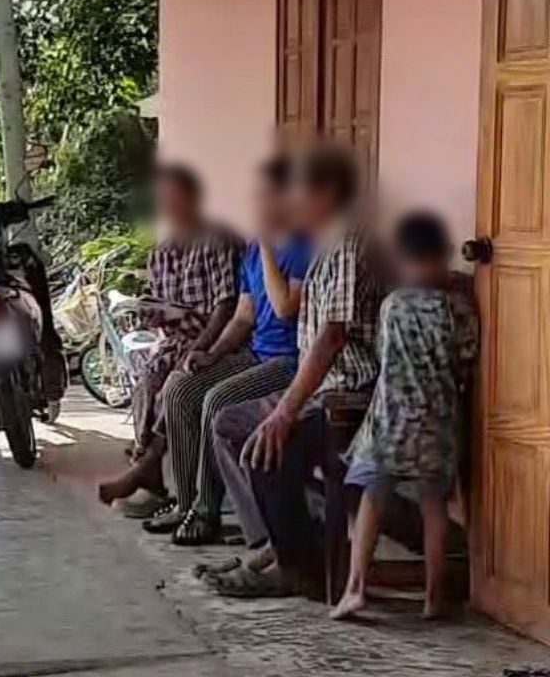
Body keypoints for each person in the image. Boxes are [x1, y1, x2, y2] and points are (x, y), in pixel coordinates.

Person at [203, 145, 380, 598]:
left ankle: (298, 567)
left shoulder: (346, 243)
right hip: (322, 387)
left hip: (348, 394)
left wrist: (284, 412)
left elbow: (332, 337)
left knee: (268, 447)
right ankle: (284, 548)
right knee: (235, 427)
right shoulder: (325, 242)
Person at [143, 156, 311, 543]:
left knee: (216, 399)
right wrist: (212, 354)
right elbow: (243, 316)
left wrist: (267, 247)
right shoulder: (253, 251)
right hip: (255, 353)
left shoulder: (302, 246)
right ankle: (186, 503)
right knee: (180, 387)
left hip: (289, 360)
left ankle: (207, 511)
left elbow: (285, 307)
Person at [330, 213, 476, 620]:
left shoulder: (392, 306)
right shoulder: (460, 310)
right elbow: (466, 362)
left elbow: (383, 355)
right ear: (445, 255)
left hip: (390, 423)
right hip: (438, 423)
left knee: (372, 498)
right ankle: (433, 596)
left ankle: (355, 587)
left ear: (402, 260)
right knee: (434, 507)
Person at [97, 165, 242, 518]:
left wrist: (201, 347)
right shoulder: (160, 252)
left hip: (213, 338)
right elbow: (159, 304)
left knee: (174, 387)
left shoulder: (216, 240)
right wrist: (149, 312)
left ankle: (146, 470)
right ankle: (152, 481)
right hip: (174, 339)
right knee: (146, 383)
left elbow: (226, 307)